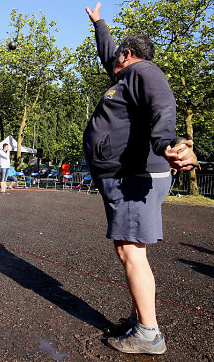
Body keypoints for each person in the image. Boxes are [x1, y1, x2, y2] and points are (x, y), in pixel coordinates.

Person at [84, 3, 196, 355]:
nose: (110, 61)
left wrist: (166, 144)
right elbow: (109, 53)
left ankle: (148, 333)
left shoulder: (143, 71)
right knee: (130, 249)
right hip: (126, 175)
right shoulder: (126, 75)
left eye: (117, 55)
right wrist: (100, 24)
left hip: (134, 176)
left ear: (128, 55)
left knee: (131, 250)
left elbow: (162, 104)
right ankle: (140, 320)